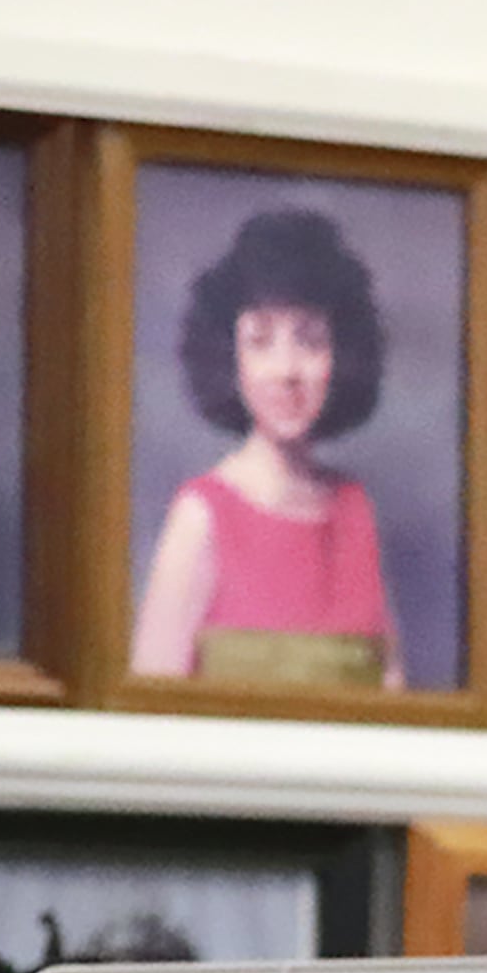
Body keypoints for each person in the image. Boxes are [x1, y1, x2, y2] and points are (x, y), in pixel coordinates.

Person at [129, 205, 403, 685]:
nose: (286, 370)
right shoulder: (202, 515)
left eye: (310, 341)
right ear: (228, 358)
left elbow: (395, 702)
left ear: (342, 355)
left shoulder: (356, 509)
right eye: (260, 341)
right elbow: (150, 713)